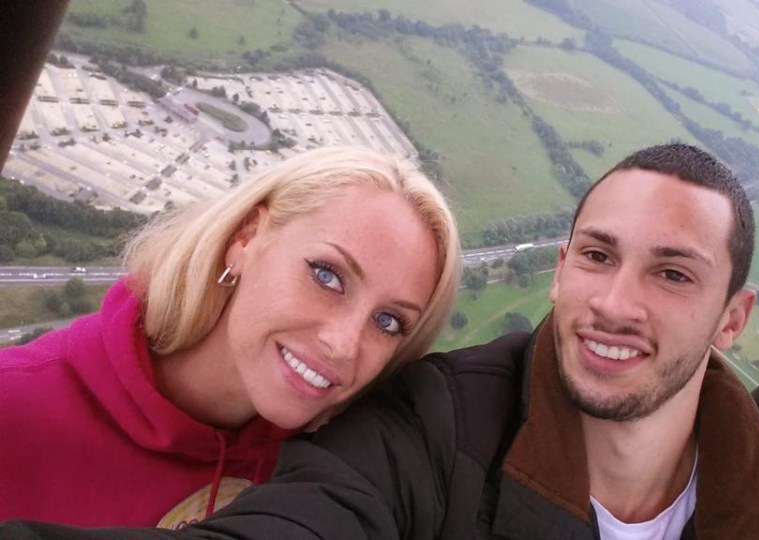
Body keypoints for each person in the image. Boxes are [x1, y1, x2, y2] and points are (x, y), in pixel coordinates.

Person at [0, 143, 759, 539]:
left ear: (732, 318)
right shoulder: (426, 438)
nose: (341, 342)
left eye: (673, 274)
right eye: (600, 257)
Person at [0, 146, 460, 529]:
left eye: (388, 322)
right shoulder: (15, 408)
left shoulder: (336, 471)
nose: (342, 345)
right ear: (246, 238)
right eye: (327, 275)